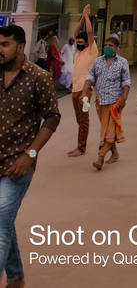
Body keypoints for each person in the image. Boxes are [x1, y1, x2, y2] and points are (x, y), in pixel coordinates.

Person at [0, 24, 61, 288]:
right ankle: (16, 277)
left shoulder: (39, 77)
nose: (0, 50)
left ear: (21, 46)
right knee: (3, 221)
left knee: (0, 223)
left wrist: (31, 153)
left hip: (17, 164)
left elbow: (52, 116)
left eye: (5, 45)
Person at [82, 34, 131, 170]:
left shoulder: (122, 62)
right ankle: (115, 154)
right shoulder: (98, 61)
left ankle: (100, 157)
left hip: (115, 102)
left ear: (117, 48)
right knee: (107, 130)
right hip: (100, 101)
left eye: (111, 46)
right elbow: (90, 77)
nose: (108, 48)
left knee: (109, 129)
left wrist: (124, 98)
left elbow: (126, 82)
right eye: (106, 45)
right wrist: (84, 91)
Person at [67, 4, 98, 157]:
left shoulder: (91, 50)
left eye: (81, 41)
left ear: (87, 43)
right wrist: (81, 16)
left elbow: (90, 32)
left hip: (85, 92)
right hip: (74, 90)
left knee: (84, 119)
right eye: (77, 41)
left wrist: (86, 16)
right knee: (79, 119)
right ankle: (80, 144)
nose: (78, 42)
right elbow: (76, 32)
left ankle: (81, 148)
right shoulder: (79, 52)